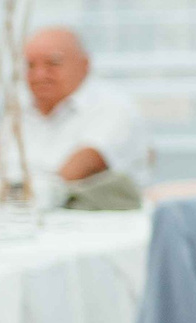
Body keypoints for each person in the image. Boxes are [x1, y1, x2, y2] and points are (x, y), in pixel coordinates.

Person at [18, 27, 151, 199]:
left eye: (53, 63)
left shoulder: (113, 107)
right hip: (24, 217)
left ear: (85, 64)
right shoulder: (17, 110)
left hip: (98, 221)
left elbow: (77, 171)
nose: (39, 75)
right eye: (30, 65)